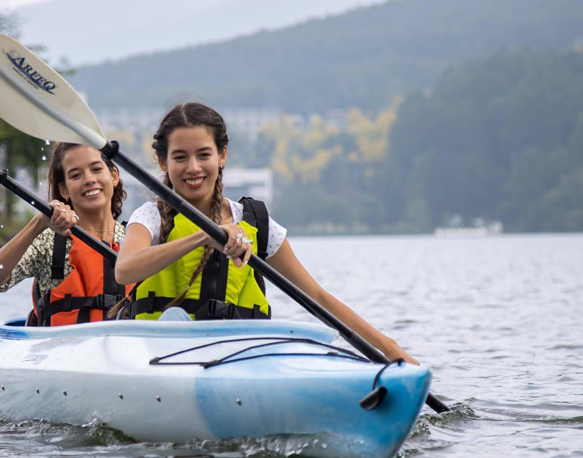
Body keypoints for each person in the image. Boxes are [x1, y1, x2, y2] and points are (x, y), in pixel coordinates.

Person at [114, 103, 418, 364]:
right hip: (164, 355)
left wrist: (389, 348)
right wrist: (205, 235)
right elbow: (125, 270)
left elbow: (317, 296)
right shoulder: (151, 217)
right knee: (174, 321)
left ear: (222, 155)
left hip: (237, 356)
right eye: (180, 157)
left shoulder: (257, 223)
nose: (193, 167)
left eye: (203, 154)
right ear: (164, 162)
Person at [0, 142, 131, 326]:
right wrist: (39, 223)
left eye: (96, 169)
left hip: (124, 349)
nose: (89, 179)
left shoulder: (136, 239)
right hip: (64, 349)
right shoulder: (49, 242)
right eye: (76, 175)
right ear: (64, 190)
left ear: (114, 176)